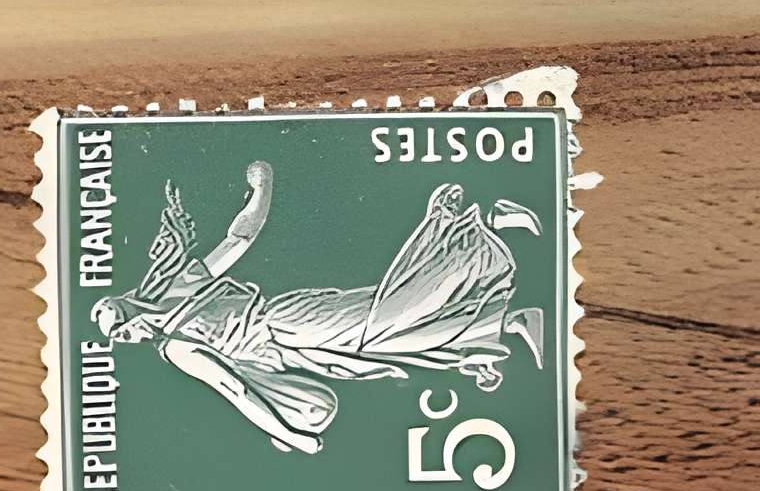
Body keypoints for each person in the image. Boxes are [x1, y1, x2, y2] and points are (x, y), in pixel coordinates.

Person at [92, 164, 546, 454]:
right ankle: (505, 323)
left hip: (284, 322)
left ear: (129, 304)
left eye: (121, 324)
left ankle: (479, 227)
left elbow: (238, 243)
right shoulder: (172, 335)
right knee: (388, 343)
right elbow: (243, 384)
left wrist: (263, 184)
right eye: (120, 338)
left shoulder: (178, 321)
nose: (129, 337)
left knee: (384, 323)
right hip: (294, 349)